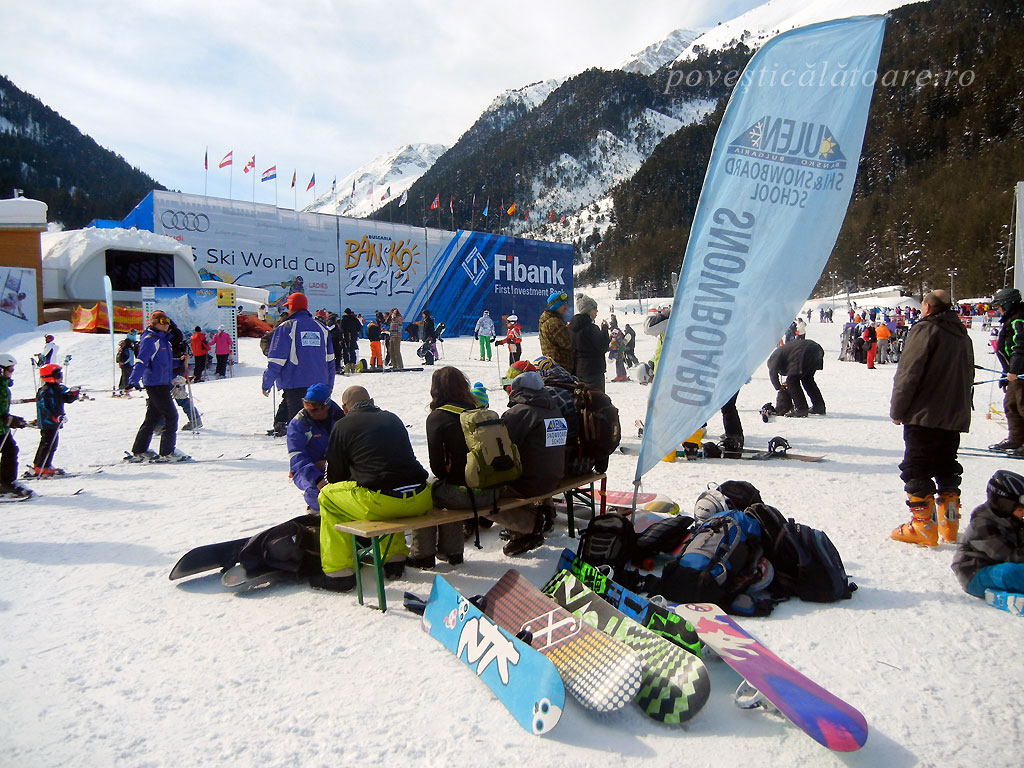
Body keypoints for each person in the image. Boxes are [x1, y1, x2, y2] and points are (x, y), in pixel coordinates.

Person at [314, 386, 431, 592]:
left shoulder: (342, 425)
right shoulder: (392, 418)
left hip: (382, 503)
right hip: (421, 497)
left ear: (345, 408)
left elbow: (334, 478)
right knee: (389, 486)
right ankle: (394, 559)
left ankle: (339, 573)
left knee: (327, 497)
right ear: (372, 401)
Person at [890, 289, 973, 547]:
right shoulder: (961, 333)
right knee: (947, 464)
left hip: (924, 413)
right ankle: (950, 523)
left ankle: (923, 526)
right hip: (953, 413)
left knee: (917, 466)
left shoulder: (926, 329)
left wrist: (898, 409)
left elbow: (909, 372)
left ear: (927, 307)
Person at [408, 367, 484, 569]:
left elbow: (438, 468)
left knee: (426, 493)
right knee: (451, 485)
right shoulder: (478, 411)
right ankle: (453, 552)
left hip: (465, 496)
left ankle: (423, 555)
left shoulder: (438, 417)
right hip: (491, 491)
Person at [500, 370, 567, 556]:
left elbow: (503, 449)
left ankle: (527, 527)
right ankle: (547, 511)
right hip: (556, 476)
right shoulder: (554, 408)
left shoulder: (518, 413)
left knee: (485, 496)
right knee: (538, 462)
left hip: (531, 482)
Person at [262, 293, 335, 435]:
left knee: (299, 429)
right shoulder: (322, 328)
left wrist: (267, 383)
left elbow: (276, 360)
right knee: (318, 428)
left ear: (291, 307)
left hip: (296, 384)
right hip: (320, 385)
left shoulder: (286, 327)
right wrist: (330, 384)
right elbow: (330, 360)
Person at [126, 310, 191, 462]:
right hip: (155, 384)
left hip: (162, 382)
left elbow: (164, 363)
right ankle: (167, 452)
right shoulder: (150, 340)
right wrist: (133, 380)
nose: (167, 324)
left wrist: (179, 361)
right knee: (171, 416)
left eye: (168, 321)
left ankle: (140, 449)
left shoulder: (163, 340)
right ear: (154, 323)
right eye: (163, 321)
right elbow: (142, 361)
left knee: (153, 417)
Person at [952, 470, 1024, 602]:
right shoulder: (982, 523)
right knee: (1011, 572)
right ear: (1005, 504)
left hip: (1000, 566)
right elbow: (1009, 556)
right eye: (1020, 509)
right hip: (975, 574)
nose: (1023, 513)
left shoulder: (1014, 519)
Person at [286, 383, 344, 512]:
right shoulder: (299, 424)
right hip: (306, 470)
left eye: (314, 408)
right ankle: (316, 514)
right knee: (316, 492)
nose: (309, 411)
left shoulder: (340, 419)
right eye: (306, 405)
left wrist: (331, 464)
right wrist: (317, 479)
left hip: (336, 466)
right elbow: (297, 457)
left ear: (327, 406)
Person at [989, 287, 1024, 452]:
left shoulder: (1019, 319)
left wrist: (1015, 370)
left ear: (1008, 304)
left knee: (1022, 406)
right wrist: (1006, 372)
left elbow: (1020, 346)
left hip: (1020, 373)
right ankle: (1016, 439)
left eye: (999, 306)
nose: (998, 310)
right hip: (1014, 372)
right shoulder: (1011, 318)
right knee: (1011, 405)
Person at [31, 364, 81, 475]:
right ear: (49, 377)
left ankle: (44, 465)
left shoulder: (57, 389)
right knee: (47, 444)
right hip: (47, 422)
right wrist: (54, 416)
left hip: (54, 422)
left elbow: (66, 399)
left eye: (61, 375)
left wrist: (73, 394)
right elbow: (44, 406)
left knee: (52, 444)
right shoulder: (45, 391)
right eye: (58, 375)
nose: (61, 378)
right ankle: (40, 466)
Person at [766, 335, 826, 417]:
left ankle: (801, 409)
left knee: (792, 381)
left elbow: (772, 373)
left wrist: (779, 387)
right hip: (816, 349)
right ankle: (819, 406)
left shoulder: (773, 359)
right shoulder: (783, 354)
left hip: (803, 352)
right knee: (807, 379)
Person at [0, 354, 32, 498]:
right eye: (10, 369)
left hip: (2, 429)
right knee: (10, 451)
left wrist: (11, 420)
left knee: (11, 450)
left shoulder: (4, 387)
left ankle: (6, 483)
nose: (12, 373)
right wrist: (6, 419)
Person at [570, 294, 610, 392]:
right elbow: (602, 347)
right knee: (597, 399)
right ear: (589, 310)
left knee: (583, 398)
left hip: (578, 370)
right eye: (595, 308)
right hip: (593, 371)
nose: (597, 311)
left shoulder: (572, 328)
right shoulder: (591, 328)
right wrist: (604, 330)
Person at [539, 291, 573, 371]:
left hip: (553, 365)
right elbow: (568, 344)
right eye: (563, 305)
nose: (566, 307)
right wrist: (571, 331)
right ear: (556, 306)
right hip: (561, 367)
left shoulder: (546, 319)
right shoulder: (554, 322)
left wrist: (565, 329)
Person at [340, 308, 362, 374]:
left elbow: (341, 328)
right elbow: (359, 327)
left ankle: (347, 365)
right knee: (352, 350)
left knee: (346, 351)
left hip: (346, 336)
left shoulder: (343, 319)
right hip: (353, 336)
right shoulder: (355, 319)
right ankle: (353, 365)